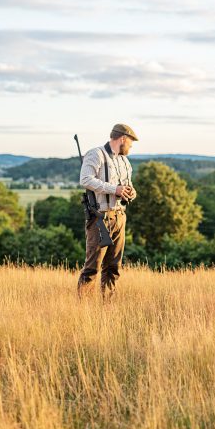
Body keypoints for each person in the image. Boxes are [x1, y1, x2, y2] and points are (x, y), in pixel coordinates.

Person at [77, 123, 138, 298]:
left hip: (119, 217)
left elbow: (127, 186)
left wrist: (131, 192)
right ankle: (83, 311)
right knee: (92, 268)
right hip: (99, 218)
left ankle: (108, 308)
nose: (131, 147)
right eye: (130, 143)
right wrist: (114, 189)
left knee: (114, 267)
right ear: (123, 139)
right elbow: (85, 179)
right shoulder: (95, 154)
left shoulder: (125, 162)